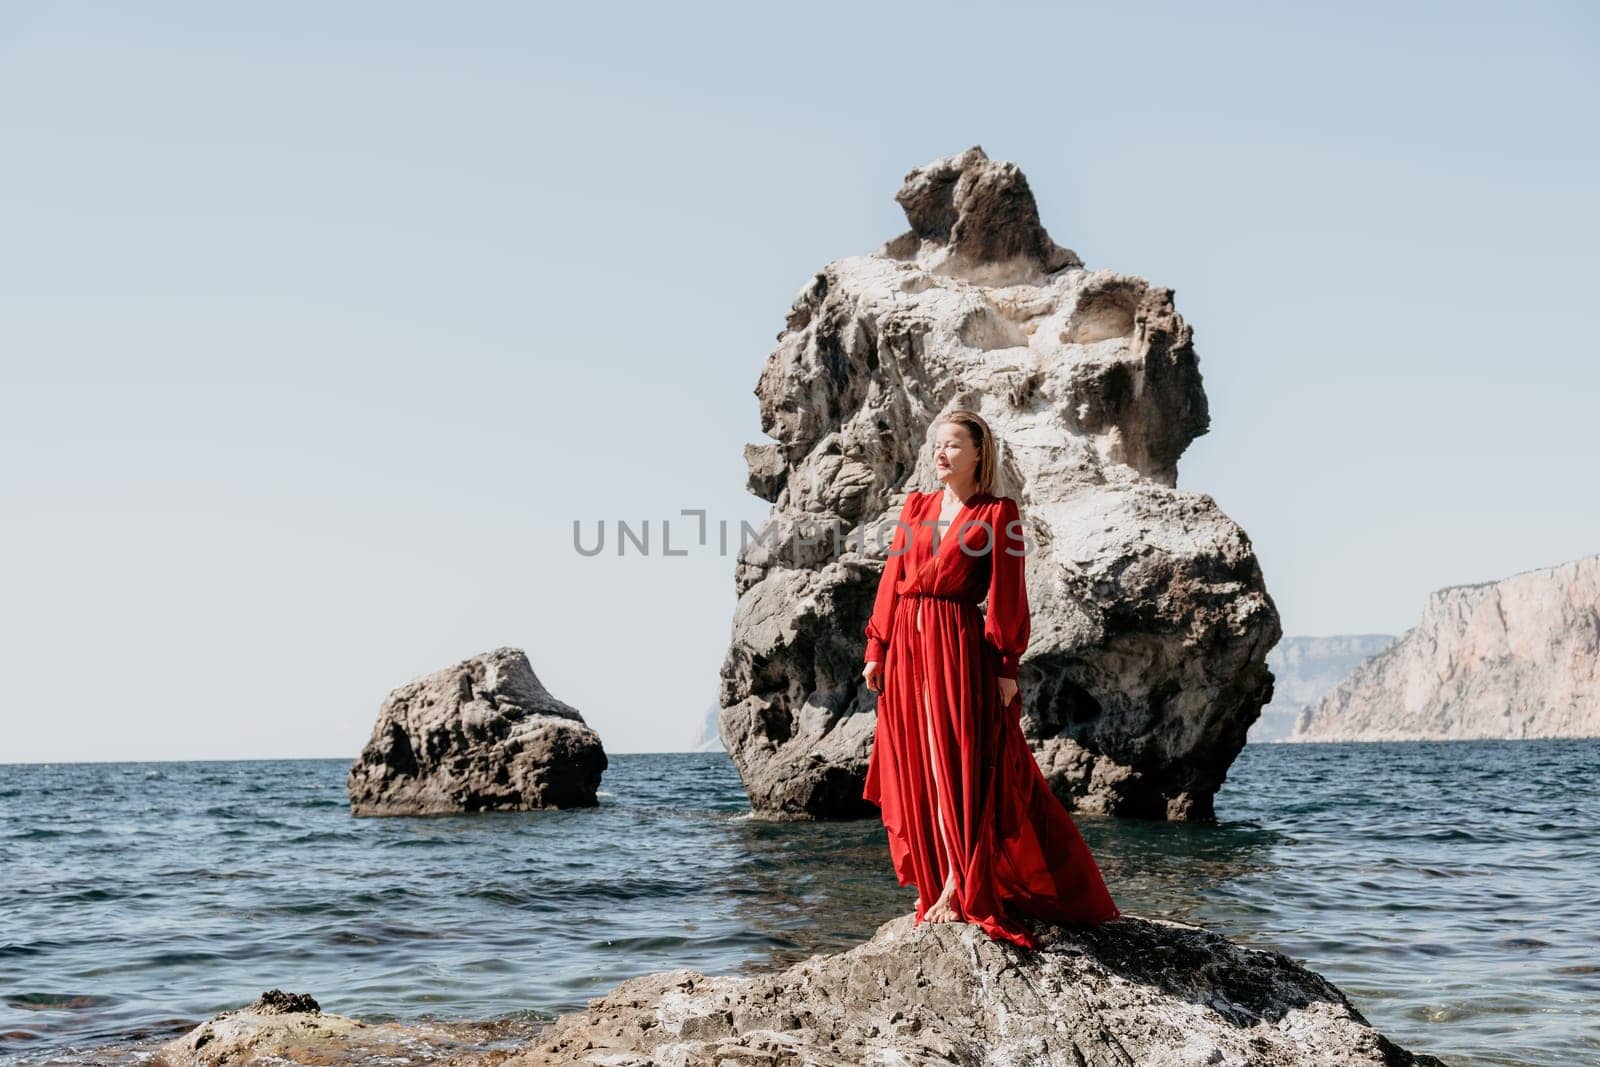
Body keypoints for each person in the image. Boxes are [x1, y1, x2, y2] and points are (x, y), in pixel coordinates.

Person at [860, 409, 1121, 950]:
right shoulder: (917, 506)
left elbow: (1007, 591)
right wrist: (876, 648)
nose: (942, 453)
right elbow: (892, 580)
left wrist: (1006, 665)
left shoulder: (999, 513)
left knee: (963, 763)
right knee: (918, 761)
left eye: (954, 445)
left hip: (957, 642)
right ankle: (933, 879)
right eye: (937, 444)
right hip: (907, 643)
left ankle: (960, 884)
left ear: (979, 453)